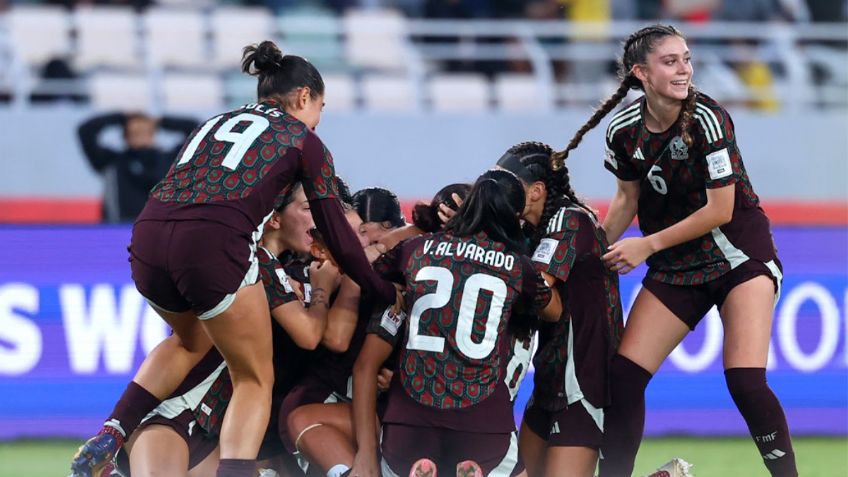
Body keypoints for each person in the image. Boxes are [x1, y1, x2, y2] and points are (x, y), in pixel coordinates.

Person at [71, 40, 395, 477]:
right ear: (304, 98)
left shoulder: (215, 121)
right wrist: (375, 286)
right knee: (254, 377)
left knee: (189, 340)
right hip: (213, 244)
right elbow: (335, 229)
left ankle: (114, 429)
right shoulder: (302, 138)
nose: (318, 120)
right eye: (320, 107)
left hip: (147, 237)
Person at [549, 24, 794, 477]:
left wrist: (647, 244)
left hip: (738, 256)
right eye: (671, 61)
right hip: (678, 266)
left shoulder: (708, 118)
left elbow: (720, 210)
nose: (685, 70)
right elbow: (627, 200)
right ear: (641, 73)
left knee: (744, 380)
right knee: (624, 379)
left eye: (686, 58)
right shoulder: (622, 131)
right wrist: (588, 254)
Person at [350, 169, 563, 477]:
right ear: (514, 216)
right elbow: (554, 310)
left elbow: (371, 263)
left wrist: (396, 281)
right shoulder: (517, 268)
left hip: (409, 423)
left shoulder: (415, 251)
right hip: (482, 425)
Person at [495, 142, 624, 477]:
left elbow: (536, 285)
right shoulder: (532, 229)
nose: (502, 193)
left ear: (537, 190)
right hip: (550, 380)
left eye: (510, 185)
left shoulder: (571, 220)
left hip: (581, 384)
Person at [77, 111, 198, 223]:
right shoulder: (111, 161)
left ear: (153, 133)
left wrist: (161, 121)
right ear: (126, 136)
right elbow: (85, 131)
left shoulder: (172, 160)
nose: (140, 136)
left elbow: (197, 132)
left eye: (145, 131)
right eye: (135, 133)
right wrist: (121, 117)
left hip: (160, 231)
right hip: (117, 231)